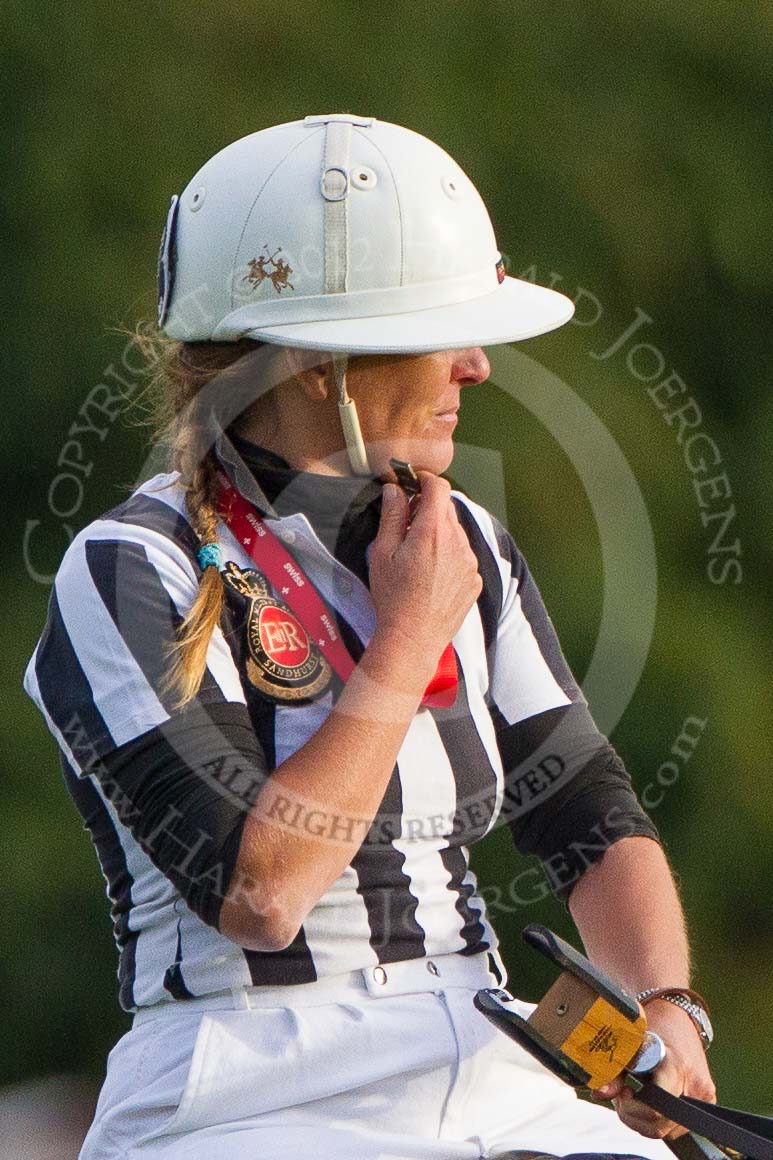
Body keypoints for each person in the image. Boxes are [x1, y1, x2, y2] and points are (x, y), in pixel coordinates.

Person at [24, 114, 716, 1160]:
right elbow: (259, 895)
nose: (477, 366)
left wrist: (663, 1003)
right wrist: (403, 642)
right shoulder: (128, 565)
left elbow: (582, 806)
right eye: (442, 327)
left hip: (490, 1056)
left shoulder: (461, 535)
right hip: (244, 1094)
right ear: (316, 361)